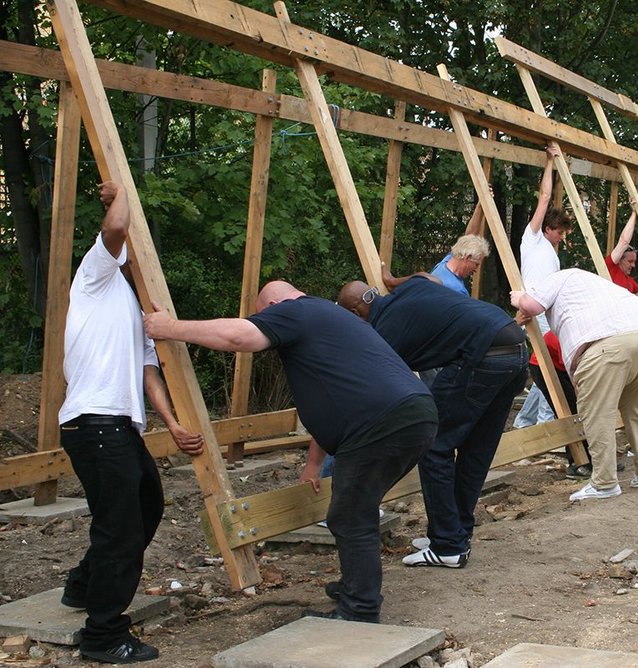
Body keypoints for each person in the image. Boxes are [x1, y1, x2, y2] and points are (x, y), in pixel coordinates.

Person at [145, 281, 437, 623]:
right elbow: (337, 399)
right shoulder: (330, 319)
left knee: (349, 514)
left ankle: (360, 609)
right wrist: (313, 464)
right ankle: (357, 586)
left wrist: (169, 328)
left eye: (263, 317)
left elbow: (239, 337)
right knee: (357, 505)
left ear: (272, 305)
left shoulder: (296, 310)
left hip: (382, 424)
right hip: (411, 417)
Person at [59, 182, 204, 664]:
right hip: (94, 422)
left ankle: (83, 585)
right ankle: (103, 634)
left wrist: (173, 423)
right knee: (119, 529)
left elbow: (148, 373)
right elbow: (117, 226)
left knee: (146, 506)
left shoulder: (133, 310)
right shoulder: (96, 277)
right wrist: (120, 192)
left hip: (117, 426)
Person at [337, 277, 527, 568]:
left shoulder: (383, 333)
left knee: (433, 445)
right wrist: (393, 279)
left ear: (354, 313)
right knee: (476, 449)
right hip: (515, 347)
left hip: (481, 356)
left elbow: (383, 392)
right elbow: (428, 277)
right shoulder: (411, 290)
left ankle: (447, 544)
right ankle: (455, 534)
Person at [511, 269, 638, 500]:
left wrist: (519, 298)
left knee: (597, 414)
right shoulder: (598, 287)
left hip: (608, 342)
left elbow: (532, 306)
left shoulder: (559, 277)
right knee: (635, 407)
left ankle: (604, 482)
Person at [515, 143, 573, 428]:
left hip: (546, 308)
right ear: (547, 228)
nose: (561, 237)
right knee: (548, 366)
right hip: (536, 308)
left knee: (545, 365)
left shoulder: (551, 250)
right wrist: (549, 161)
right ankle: (544, 424)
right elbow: (545, 197)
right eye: (559, 232)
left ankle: (526, 421)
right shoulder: (533, 238)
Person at [528, 330, 592, 478]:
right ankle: (578, 463)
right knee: (568, 411)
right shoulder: (570, 337)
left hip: (562, 364)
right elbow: (573, 371)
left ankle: (596, 458)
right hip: (544, 365)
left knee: (583, 409)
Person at [428, 201, 489, 296]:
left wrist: (480, 206)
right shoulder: (457, 291)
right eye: (476, 264)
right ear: (467, 257)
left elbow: (469, 237)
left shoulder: (448, 262)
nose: (476, 269)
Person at [604, 202, 638, 294]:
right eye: (630, 261)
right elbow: (624, 242)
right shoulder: (610, 267)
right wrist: (634, 213)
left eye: (634, 261)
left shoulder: (630, 281)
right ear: (619, 259)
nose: (633, 265)